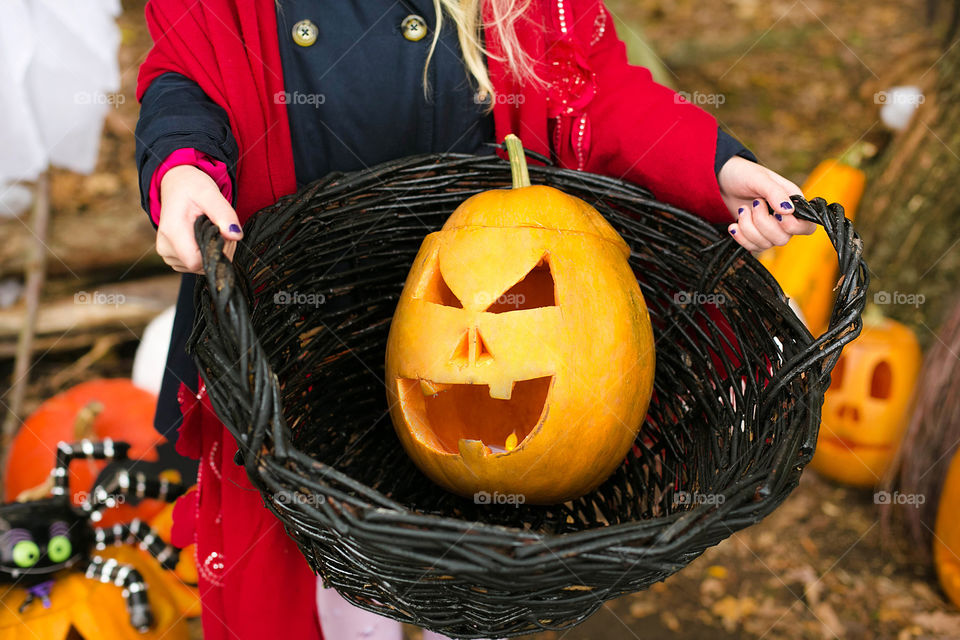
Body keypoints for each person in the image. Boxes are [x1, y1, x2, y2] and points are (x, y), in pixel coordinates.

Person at [135, 1, 816, 638]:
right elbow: (189, 78)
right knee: (320, 555)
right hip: (305, 329)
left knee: (473, 562)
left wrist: (715, 164)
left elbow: (596, 93)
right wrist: (182, 170)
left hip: (487, 286)